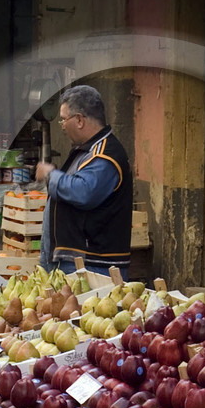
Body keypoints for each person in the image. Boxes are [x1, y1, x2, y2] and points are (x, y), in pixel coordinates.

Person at [37, 83, 133, 277]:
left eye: (64, 120)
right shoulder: (87, 151)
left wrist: (51, 175)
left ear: (79, 120)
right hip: (79, 263)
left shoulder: (105, 155)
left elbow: (83, 191)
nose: (62, 127)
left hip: (93, 267)